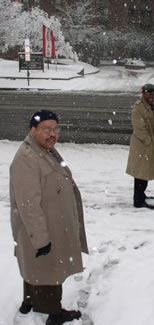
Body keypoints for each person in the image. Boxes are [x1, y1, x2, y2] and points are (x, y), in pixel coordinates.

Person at [10, 109, 88, 325]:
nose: (52, 134)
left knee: (36, 268)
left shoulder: (43, 150)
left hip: (49, 222)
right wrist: (41, 239)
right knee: (48, 269)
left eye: (55, 129)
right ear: (33, 130)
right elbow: (28, 205)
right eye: (46, 129)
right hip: (41, 228)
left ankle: (30, 301)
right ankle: (53, 313)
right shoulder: (28, 158)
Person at [126, 83, 154, 209]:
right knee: (141, 173)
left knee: (146, 171)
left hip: (149, 144)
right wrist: (149, 141)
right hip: (142, 146)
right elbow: (139, 128)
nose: (152, 96)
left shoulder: (150, 106)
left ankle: (141, 194)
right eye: (149, 93)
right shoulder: (139, 108)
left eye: (153, 93)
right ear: (143, 93)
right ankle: (138, 201)